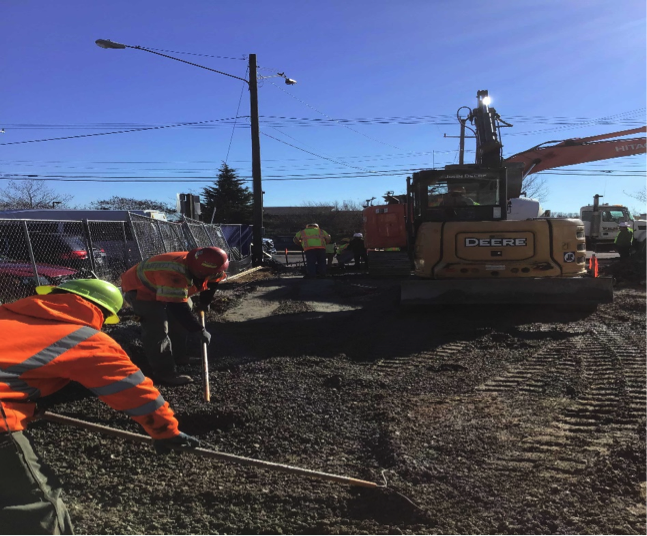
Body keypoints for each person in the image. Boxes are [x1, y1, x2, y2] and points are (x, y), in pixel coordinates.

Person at [0, 279, 199, 536]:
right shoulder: (84, 339)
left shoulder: (6, 313)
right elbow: (136, 393)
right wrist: (166, 432)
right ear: (102, 312)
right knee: (33, 505)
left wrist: (25, 403)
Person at [121, 247, 229, 386]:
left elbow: (213, 282)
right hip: (142, 289)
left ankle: (179, 357)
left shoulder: (211, 266)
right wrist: (198, 329)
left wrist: (204, 303)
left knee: (179, 322)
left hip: (164, 284)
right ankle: (165, 373)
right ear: (200, 271)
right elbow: (177, 307)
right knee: (158, 328)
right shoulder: (174, 273)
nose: (215, 274)